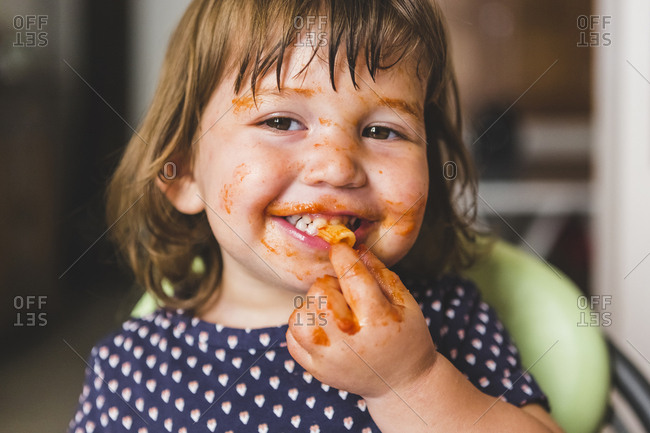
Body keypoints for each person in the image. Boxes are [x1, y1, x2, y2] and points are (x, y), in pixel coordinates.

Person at [69, 0, 563, 431]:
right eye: (280, 121)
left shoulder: (446, 319)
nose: (337, 166)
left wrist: (410, 382)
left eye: (383, 131)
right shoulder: (132, 368)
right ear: (184, 174)